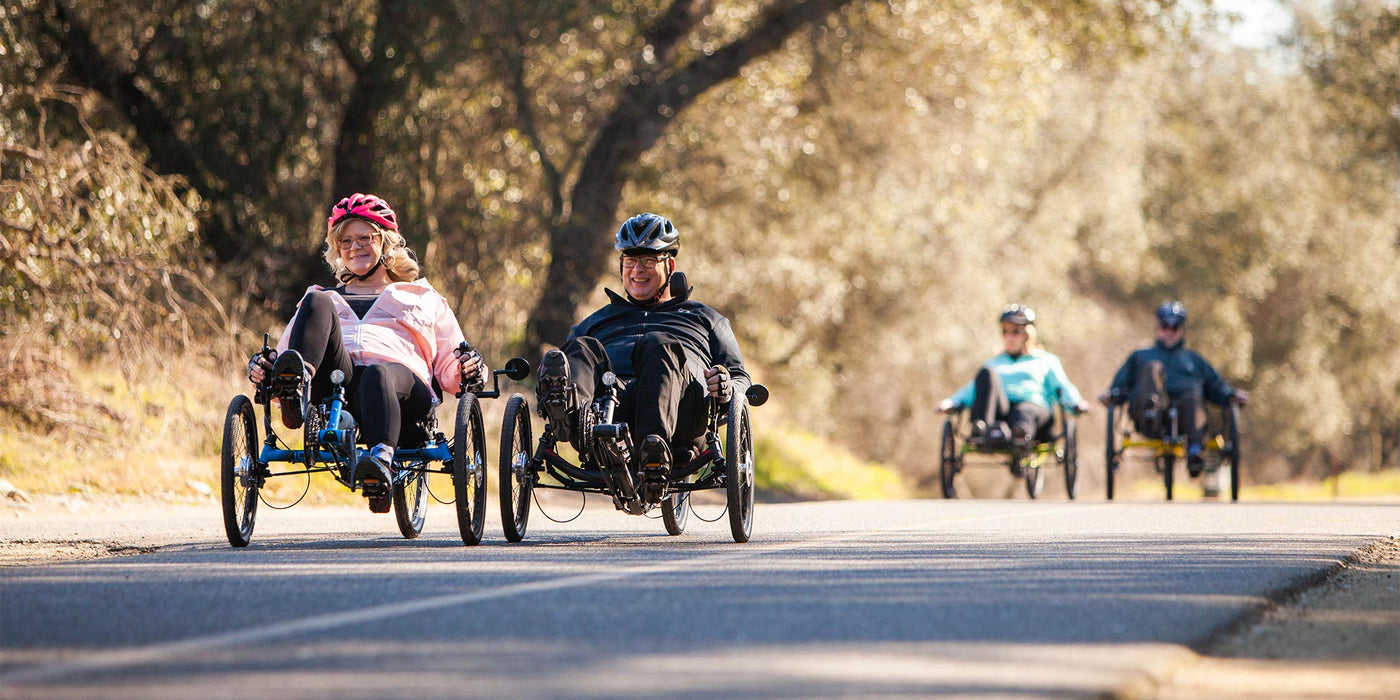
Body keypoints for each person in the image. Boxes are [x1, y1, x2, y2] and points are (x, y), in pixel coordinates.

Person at [247, 193, 483, 508]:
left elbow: (449, 370)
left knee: (377, 372)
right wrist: (266, 369)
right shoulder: (322, 298)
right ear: (337, 250)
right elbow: (287, 352)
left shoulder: (423, 296)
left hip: (401, 390)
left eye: (364, 238)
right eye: (345, 241)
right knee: (318, 300)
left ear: (385, 243)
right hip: (335, 388)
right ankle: (297, 389)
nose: (354, 247)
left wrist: (466, 368)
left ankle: (381, 463)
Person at [535, 212, 750, 498]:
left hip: (680, 410)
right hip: (608, 411)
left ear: (670, 265)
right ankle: (569, 419)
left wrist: (725, 386)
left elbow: (740, 378)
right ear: (621, 265)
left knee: (659, 344)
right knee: (580, 346)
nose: (638, 270)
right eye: (631, 260)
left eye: (648, 260)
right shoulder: (596, 321)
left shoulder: (704, 318)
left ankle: (654, 448)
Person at [1097, 301, 1249, 476]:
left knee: (1192, 398)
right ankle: (1151, 414)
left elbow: (1215, 387)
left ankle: (1195, 453)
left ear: (1182, 329)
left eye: (1174, 327)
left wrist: (1230, 395)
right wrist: (1113, 395)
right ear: (1157, 327)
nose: (1169, 331)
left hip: (1187, 415)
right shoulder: (1141, 356)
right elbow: (1120, 384)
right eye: (1164, 326)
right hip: (1150, 416)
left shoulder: (1193, 359)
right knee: (1152, 368)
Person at [936, 304, 1090, 451]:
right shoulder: (995, 362)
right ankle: (983, 430)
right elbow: (972, 390)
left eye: (1015, 332)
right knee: (986, 374)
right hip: (1001, 414)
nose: (1009, 337)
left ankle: (1020, 436)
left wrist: (1076, 403)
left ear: (1028, 334)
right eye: (1005, 332)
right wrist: (951, 402)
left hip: (1034, 410)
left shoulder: (1045, 360)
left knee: (1022, 411)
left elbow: (1062, 386)